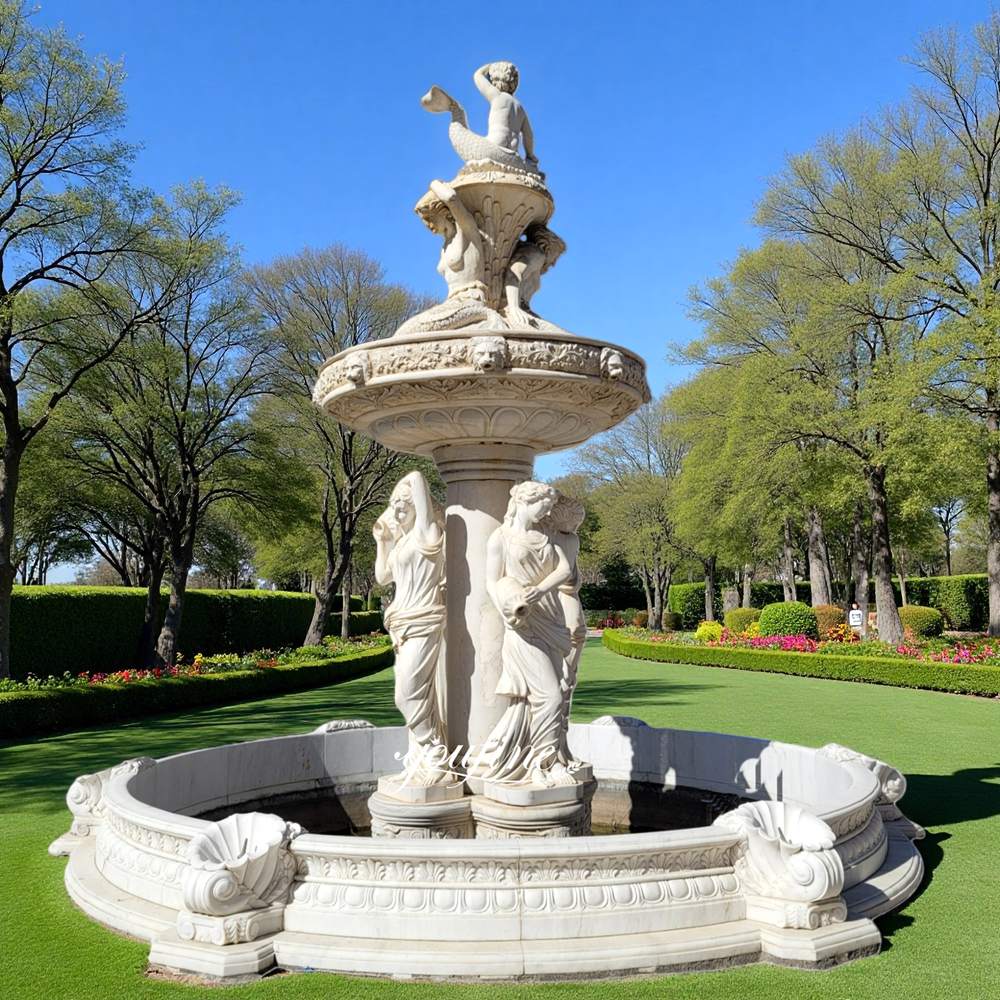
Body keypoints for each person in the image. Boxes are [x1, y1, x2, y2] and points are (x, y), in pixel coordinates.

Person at [481, 481, 577, 786]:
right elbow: (492, 582)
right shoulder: (501, 538)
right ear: (525, 501)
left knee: (554, 691)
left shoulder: (546, 535)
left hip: (551, 618)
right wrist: (508, 611)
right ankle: (542, 762)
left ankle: (546, 759)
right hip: (523, 626)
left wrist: (540, 590)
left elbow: (564, 570)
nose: (547, 513)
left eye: (549, 508)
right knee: (549, 696)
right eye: (543, 507)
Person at [374, 471, 451, 784]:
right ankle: (426, 757)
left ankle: (436, 756)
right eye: (393, 506)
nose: (396, 510)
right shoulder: (403, 543)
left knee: (406, 694)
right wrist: (383, 540)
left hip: (423, 620)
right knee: (415, 694)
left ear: (419, 507)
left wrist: (403, 486)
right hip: (401, 625)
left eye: (402, 505)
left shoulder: (426, 533)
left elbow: (418, 477)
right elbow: (382, 577)